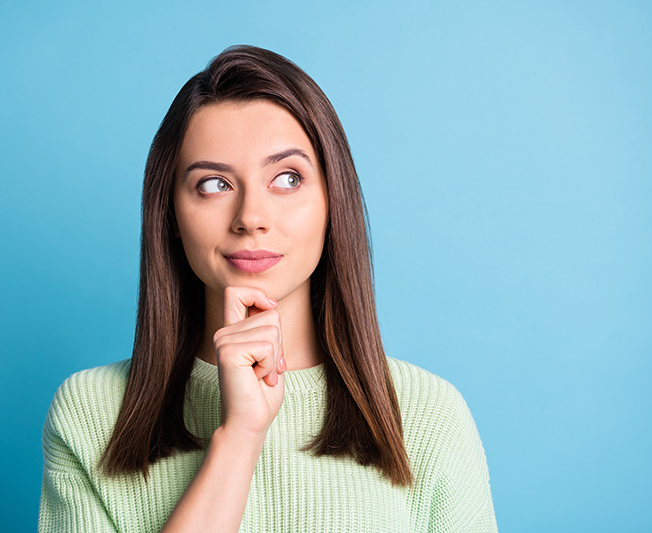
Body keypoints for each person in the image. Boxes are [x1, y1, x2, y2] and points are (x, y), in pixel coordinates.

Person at [38, 45, 497, 532]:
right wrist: (239, 437)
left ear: (331, 201)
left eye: (287, 178)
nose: (251, 218)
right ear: (170, 214)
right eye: (213, 184)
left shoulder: (427, 415)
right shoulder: (92, 414)